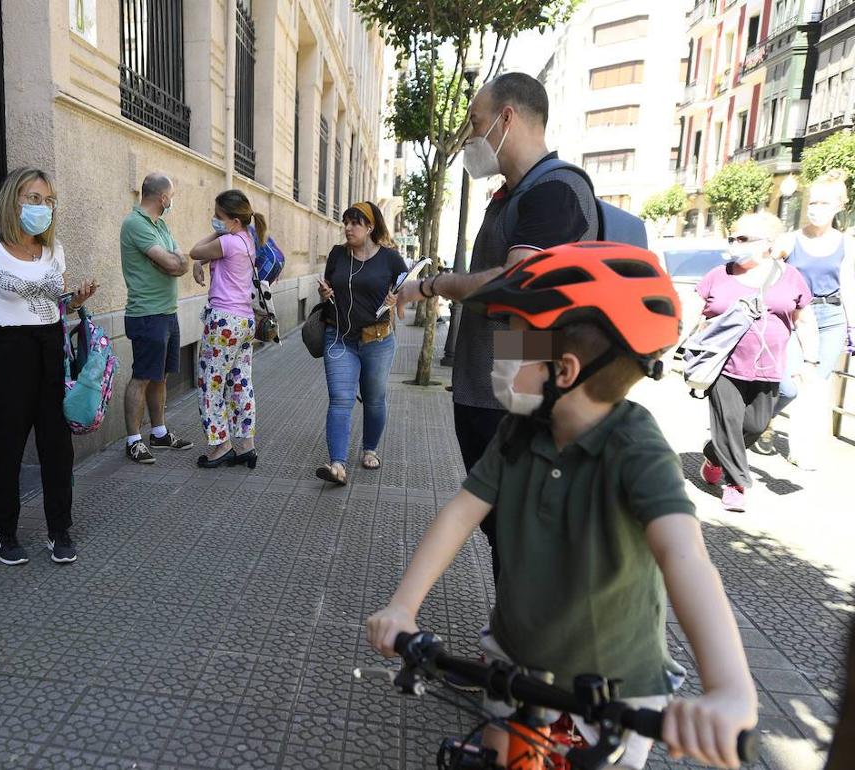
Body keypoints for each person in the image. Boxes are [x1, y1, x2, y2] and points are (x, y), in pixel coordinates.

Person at [367, 243, 758, 770]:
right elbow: (460, 513)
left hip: (614, 692)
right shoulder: (518, 430)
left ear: (565, 371)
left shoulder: (635, 447)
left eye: (518, 344)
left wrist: (729, 688)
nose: (502, 355)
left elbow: (684, 557)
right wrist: (403, 607)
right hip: (514, 661)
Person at [395, 72, 599, 584]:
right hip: (491, 393)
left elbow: (518, 285)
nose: (470, 135)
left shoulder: (556, 191)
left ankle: (524, 625)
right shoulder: (513, 195)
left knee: (519, 530)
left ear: (507, 119)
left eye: (476, 122)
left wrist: (434, 285)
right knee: (504, 529)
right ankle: (513, 619)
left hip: (519, 399)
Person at [0, 167, 97, 566]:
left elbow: (56, 304)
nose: (42, 207)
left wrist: (76, 301)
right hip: (5, 351)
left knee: (58, 448)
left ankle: (59, 530)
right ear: (13, 198)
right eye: (34, 198)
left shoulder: (53, 249)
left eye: (49, 201)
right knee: (7, 448)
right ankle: (5, 533)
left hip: (50, 349)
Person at [696, 213, 816, 512]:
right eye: (732, 237)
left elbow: (804, 321)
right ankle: (736, 484)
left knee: (755, 424)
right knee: (729, 422)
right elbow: (693, 311)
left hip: (768, 368)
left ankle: (713, 454)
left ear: (767, 244)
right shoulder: (719, 275)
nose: (734, 243)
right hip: (724, 364)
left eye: (743, 239)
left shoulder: (790, 277)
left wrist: (810, 360)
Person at [315, 201, 406, 486]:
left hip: (378, 340)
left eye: (355, 223)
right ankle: (337, 465)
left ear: (370, 227)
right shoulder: (338, 254)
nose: (348, 228)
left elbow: (407, 289)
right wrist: (325, 292)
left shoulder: (390, 258)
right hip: (339, 337)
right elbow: (329, 286)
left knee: (374, 399)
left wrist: (396, 299)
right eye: (346, 222)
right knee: (340, 399)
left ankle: (369, 449)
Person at [770, 170, 855, 469]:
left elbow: (848, 285)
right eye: (813, 202)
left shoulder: (846, 243)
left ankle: (802, 450)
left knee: (816, 384)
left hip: (831, 317)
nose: (816, 209)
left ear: (838, 207)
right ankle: (762, 418)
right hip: (797, 317)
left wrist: (852, 326)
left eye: (824, 203)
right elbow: (766, 273)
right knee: (791, 383)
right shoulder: (790, 240)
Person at [120, 172, 194, 464]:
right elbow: (171, 263)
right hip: (147, 313)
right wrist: (171, 263)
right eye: (171, 196)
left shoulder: (160, 225)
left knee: (160, 376)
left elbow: (180, 262)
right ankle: (133, 440)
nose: (172, 201)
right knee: (142, 376)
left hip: (167, 311)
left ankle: (159, 433)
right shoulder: (135, 223)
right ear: (163, 197)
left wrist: (174, 262)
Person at [188, 189, 263, 469]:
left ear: (235, 220)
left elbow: (195, 250)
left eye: (219, 215)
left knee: (211, 382)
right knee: (240, 382)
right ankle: (245, 445)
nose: (214, 219)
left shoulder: (228, 241)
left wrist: (216, 234)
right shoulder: (247, 240)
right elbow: (211, 256)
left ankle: (220, 446)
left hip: (223, 321)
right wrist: (202, 262)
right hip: (244, 321)